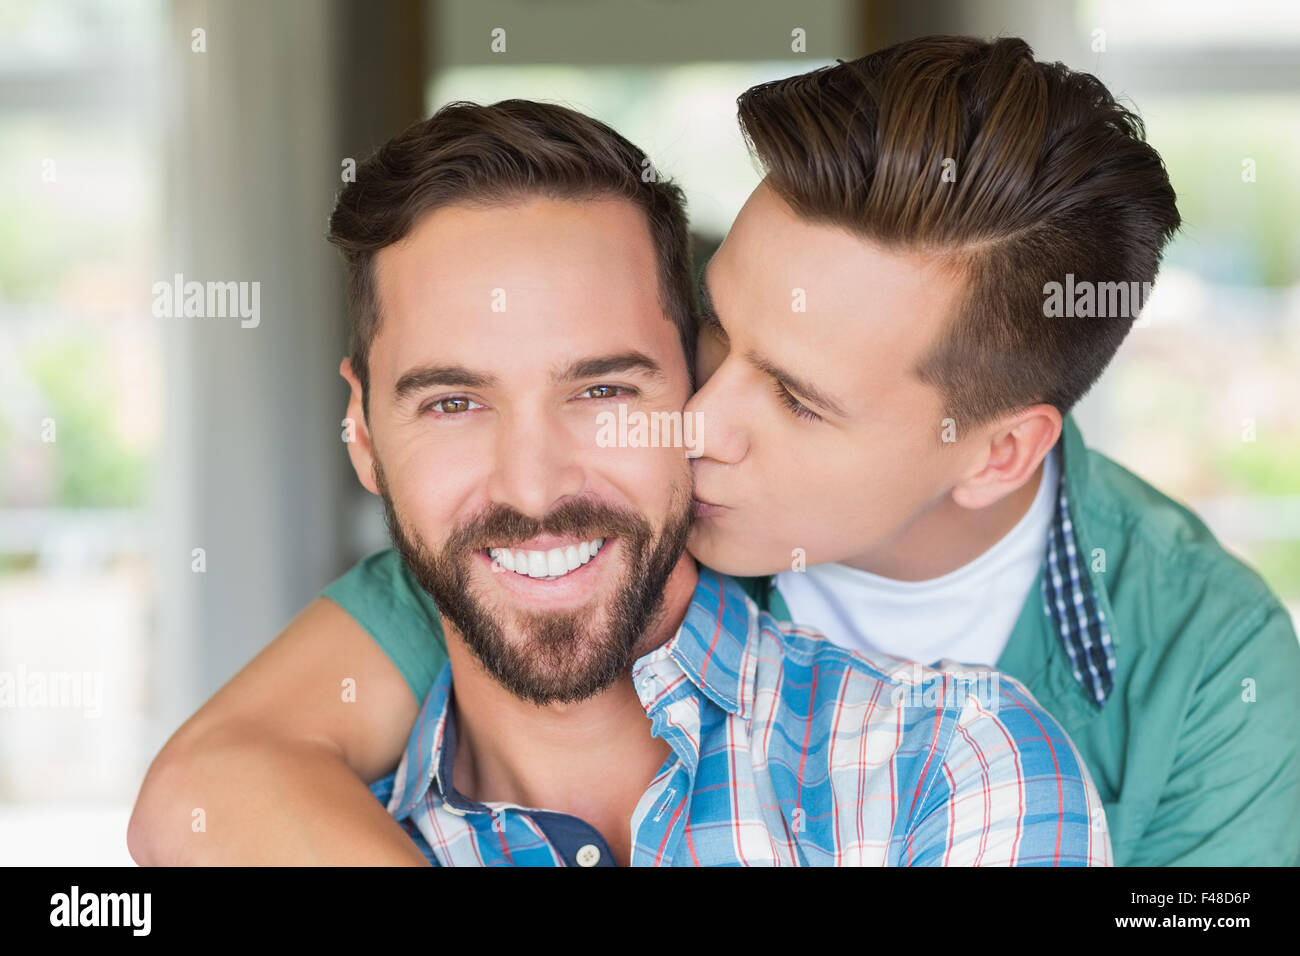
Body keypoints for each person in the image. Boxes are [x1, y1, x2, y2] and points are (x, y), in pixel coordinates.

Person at [132, 35, 1300, 867]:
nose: (690, 417)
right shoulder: (585, 516)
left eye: (794, 396)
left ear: (996, 453)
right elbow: (215, 779)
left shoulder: (1204, 662)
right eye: (714, 325)